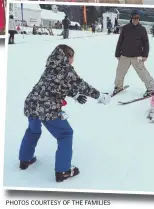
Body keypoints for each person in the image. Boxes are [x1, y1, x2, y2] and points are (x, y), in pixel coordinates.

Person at [19, 44, 111, 182]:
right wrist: (101, 97)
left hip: (32, 104)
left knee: (33, 131)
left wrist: (74, 94)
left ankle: (25, 160)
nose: (73, 60)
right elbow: (82, 85)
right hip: (47, 108)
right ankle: (63, 170)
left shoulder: (51, 66)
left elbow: (56, 85)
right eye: (72, 57)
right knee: (65, 134)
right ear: (67, 56)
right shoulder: (66, 70)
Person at [114, 9, 154, 97]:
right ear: (131, 18)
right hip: (124, 55)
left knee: (143, 73)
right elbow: (120, 41)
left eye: (137, 18)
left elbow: (146, 43)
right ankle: (118, 87)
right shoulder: (125, 28)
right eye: (134, 17)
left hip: (137, 56)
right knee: (120, 72)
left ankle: (151, 88)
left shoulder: (142, 29)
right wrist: (117, 54)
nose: (136, 19)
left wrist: (145, 55)